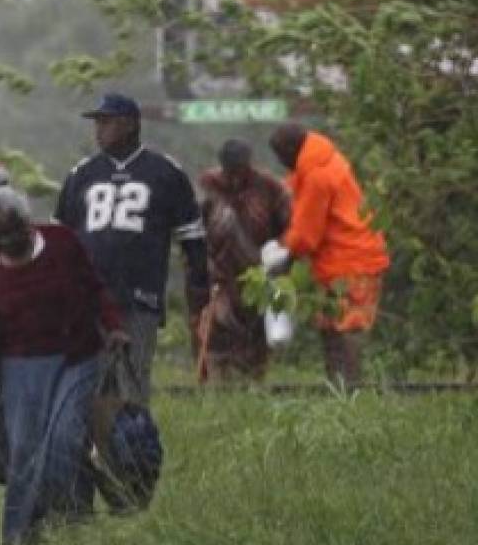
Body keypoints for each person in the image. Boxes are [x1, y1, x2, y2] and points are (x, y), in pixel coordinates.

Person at [0, 189, 127, 545]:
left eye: (15, 231)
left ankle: (69, 520)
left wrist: (113, 327)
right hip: (19, 364)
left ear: (27, 222)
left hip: (75, 355)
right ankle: (21, 534)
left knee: (64, 437)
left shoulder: (62, 243)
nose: (9, 241)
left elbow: (94, 289)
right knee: (24, 449)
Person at [54, 92, 210, 402]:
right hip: (87, 296)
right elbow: (60, 238)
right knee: (86, 383)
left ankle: (132, 447)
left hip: (139, 293)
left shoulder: (164, 172)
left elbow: (192, 236)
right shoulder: (82, 174)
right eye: (96, 123)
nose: (98, 130)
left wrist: (199, 284)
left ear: (129, 125)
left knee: (132, 380)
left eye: (106, 122)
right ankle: (88, 447)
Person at [265, 123, 390, 387]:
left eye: (280, 156)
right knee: (330, 326)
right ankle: (339, 391)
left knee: (347, 329)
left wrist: (284, 259)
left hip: (353, 261)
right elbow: (291, 192)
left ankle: (349, 393)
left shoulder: (317, 176)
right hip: (338, 261)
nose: (280, 162)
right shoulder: (319, 159)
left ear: (290, 149)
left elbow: (307, 234)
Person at [195, 139, 290, 381]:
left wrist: (279, 257)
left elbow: (289, 227)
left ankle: (252, 387)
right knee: (217, 334)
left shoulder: (269, 187)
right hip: (219, 276)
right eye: (230, 171)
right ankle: (218, 386)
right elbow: (193, 228)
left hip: (258, 276)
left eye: (241, 170)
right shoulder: (208, 186)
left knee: (254, 337)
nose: (235, 177)